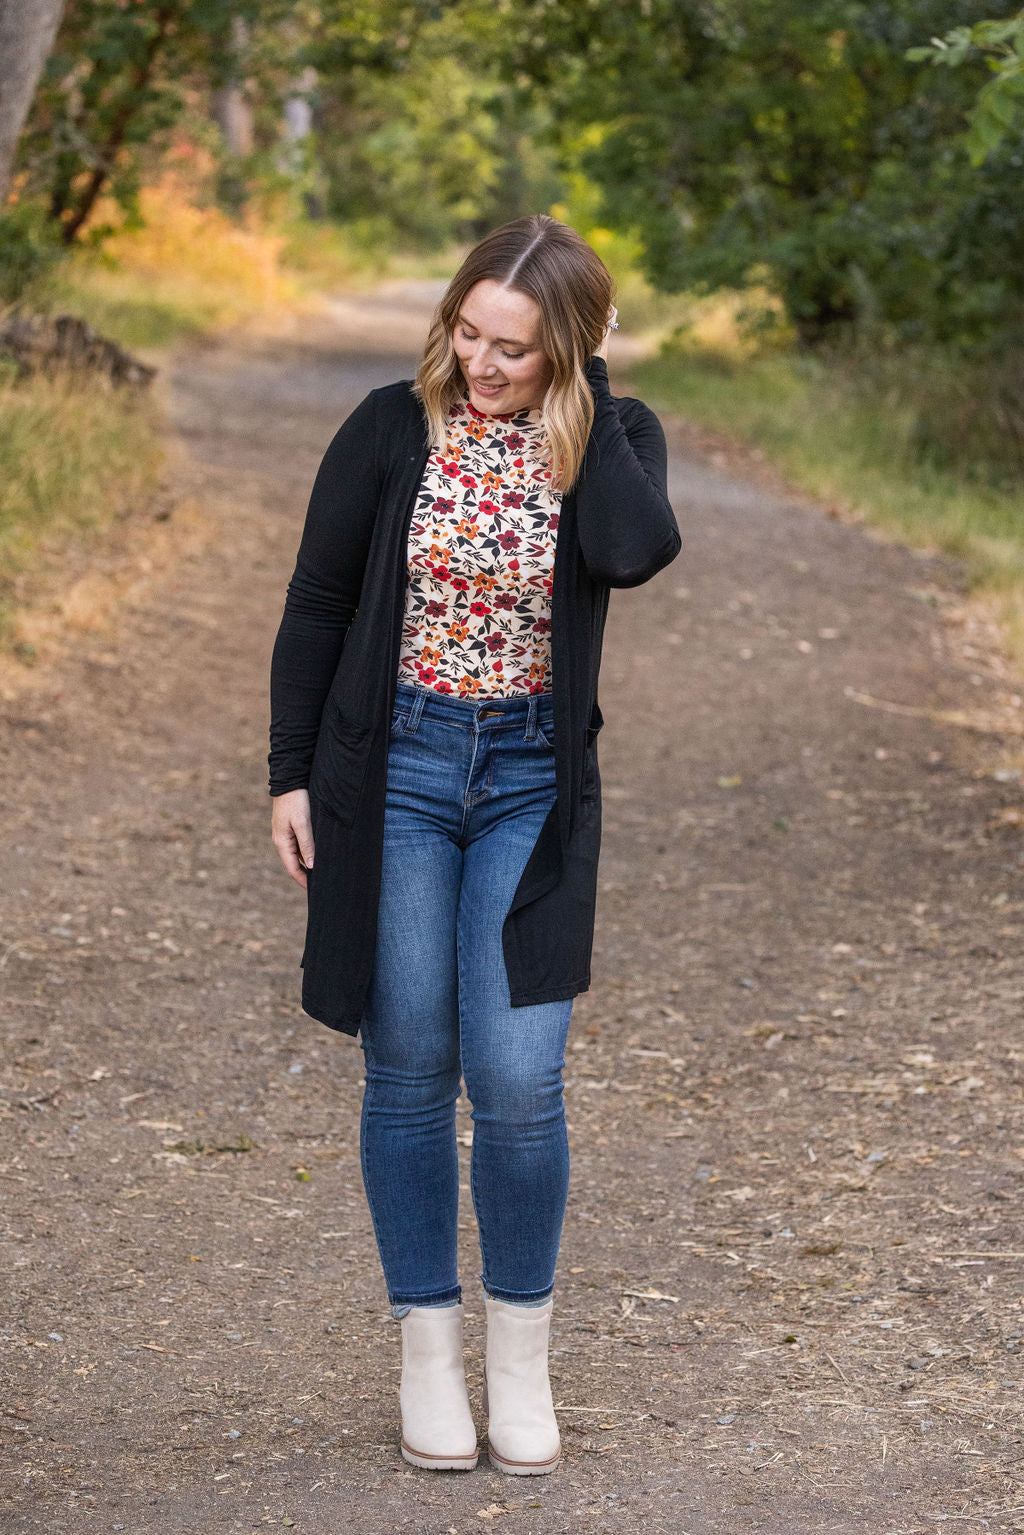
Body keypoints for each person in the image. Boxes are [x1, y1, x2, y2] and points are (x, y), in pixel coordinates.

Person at [268, 214, 681, 1475]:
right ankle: (427, 1349)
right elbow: (320, 600)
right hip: (392, 769)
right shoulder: (391, 428)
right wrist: (289, 772)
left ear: (565, 346)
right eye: (470, 332)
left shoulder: (609, 439)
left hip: (527, 781)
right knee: (407, 1062)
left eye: (517, 347)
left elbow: (632, 547)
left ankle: (521, 1356)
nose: (485, 365)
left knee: (515, 1075)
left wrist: (592, 382)